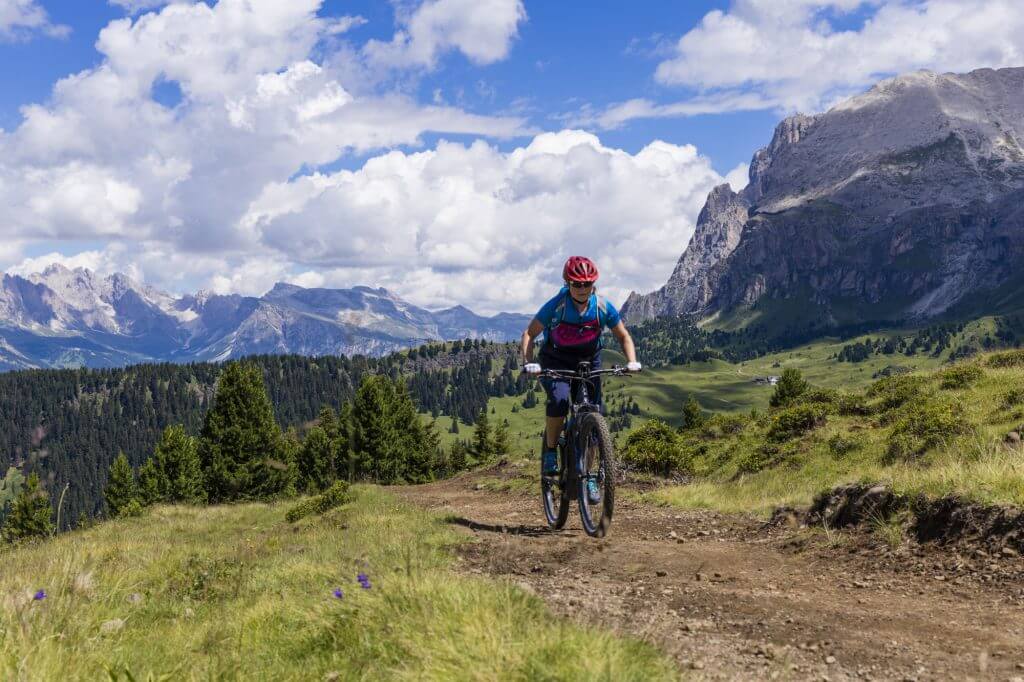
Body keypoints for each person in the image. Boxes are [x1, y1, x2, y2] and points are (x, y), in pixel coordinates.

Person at [520, 256, 641, 502]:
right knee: (560, 400)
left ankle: (591, 478)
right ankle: (552, 449)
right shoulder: (557, 305)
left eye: (588, 284)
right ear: (568, 283)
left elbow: (623, 336)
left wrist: (631, 361)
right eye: (577, 284)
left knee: (594, 417)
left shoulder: (602, 307)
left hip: (588, 361)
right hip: (556, 360)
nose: (583, 289)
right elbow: (529, 334)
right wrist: (528, 362)